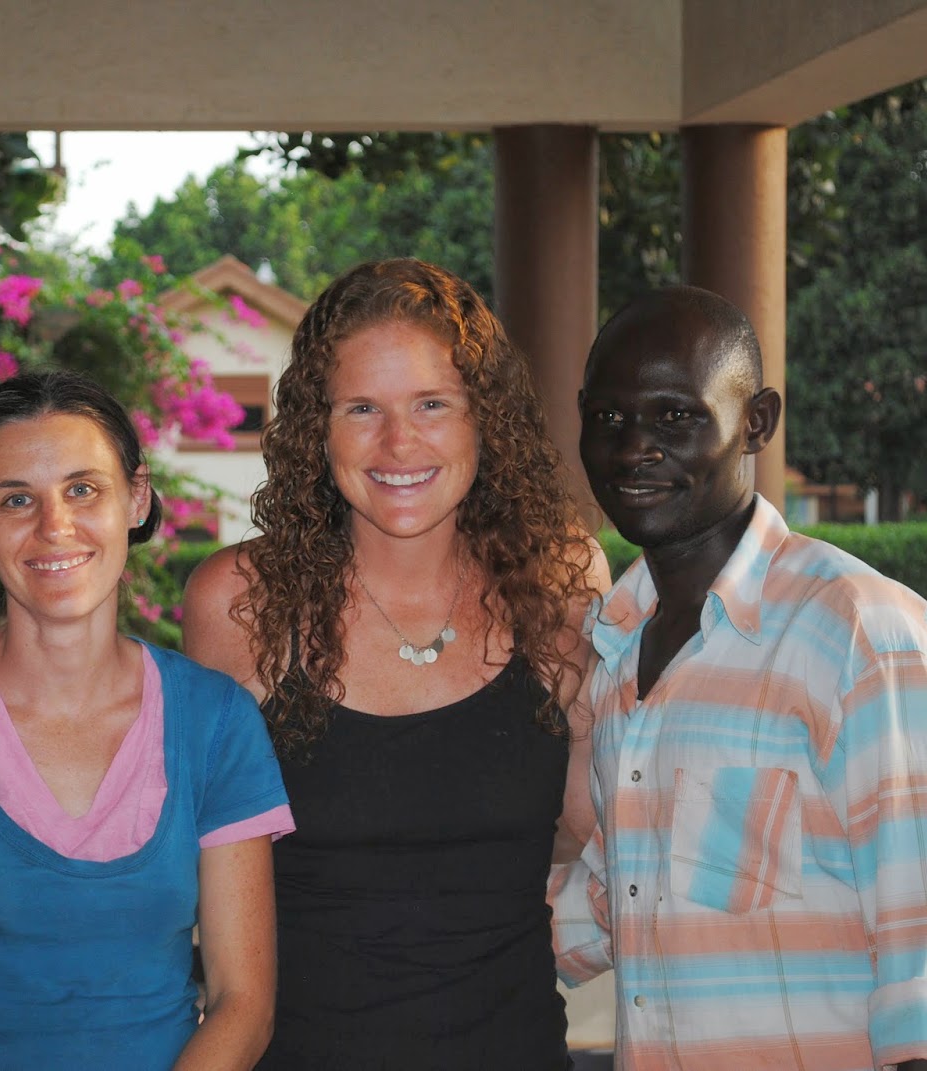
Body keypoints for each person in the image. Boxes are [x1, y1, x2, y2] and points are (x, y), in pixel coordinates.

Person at [552, 285, 927, 1070]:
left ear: (756, 421)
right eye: (609, 418)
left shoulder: (855, 629)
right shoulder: (620, 647)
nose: (634, 449)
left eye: (677, 416)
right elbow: (618, 897)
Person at [183, 258, 608, 1069]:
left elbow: (581, 829)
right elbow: (201, 879)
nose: (399, 442)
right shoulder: (239, 602)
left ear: (485, 417)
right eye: (361, 409)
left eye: (432, 403)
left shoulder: (561, 581)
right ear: (317, 428)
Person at [0, 370, 293, 1071]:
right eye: (16, 499)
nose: (55, 527)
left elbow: (242, 1003)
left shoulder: (217, 722)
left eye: (83, 489)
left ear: (136, 498)